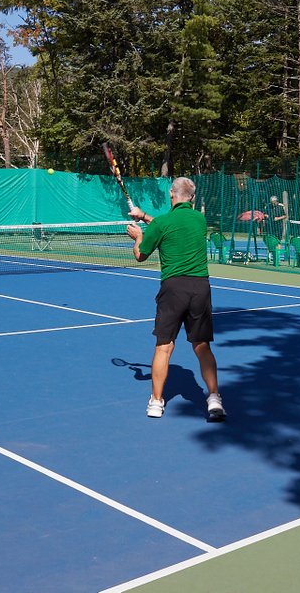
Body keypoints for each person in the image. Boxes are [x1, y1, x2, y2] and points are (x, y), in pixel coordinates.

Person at [126, 177, 225, 421]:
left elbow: (140, 255)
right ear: (192, 198)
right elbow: (167, 224)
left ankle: (156, 403)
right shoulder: (199, 220)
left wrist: (138, 236)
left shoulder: (162, 223)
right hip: (200, 288)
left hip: (173, 289)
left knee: (164, 347)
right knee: (202, 346)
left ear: (171, 195)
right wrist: (145, 216)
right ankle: (214, 399)